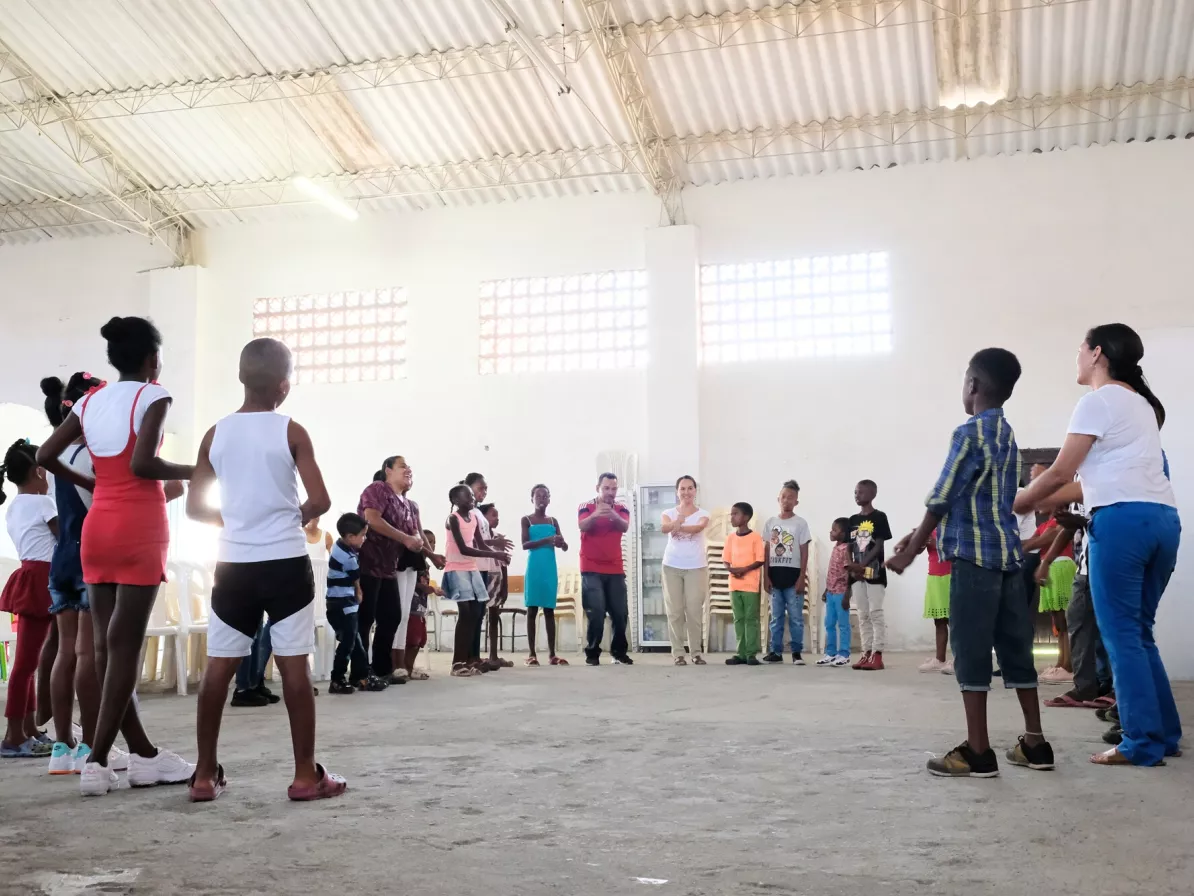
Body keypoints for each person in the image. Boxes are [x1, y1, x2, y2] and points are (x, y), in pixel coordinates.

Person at [37, 316, 194, 797]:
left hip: (98, 527)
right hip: (139, 526)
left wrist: (93, 484)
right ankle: (100, 760)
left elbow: (45, 456)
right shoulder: (153, 395)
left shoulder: (88, 401)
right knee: (122, 648)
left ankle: (144, 755)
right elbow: (143, 464)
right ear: (152, 359)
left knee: (108, 648)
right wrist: (201, 469)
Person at [1013, 324, 1180, 767]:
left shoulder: (1097, 401)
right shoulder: (1140, 405)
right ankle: (1162, 736)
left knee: (1122, 635)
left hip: (1123, 524)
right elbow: (1084, 486)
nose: (1077, 357)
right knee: (1139, 634)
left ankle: (1140, 744)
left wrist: (1014, 504)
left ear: (1097, 353)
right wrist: (1040, 498)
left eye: (1079, 349)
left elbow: (1059, 473)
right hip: (1162, 521)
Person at [187, 337, 344, 802]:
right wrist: (288, 517)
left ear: (241, 379)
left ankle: (202, 775)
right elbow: (321, 500)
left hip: (233, 565)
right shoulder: (291, 430)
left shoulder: (214, 434)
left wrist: (237, 521)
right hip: (286, 565)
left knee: (219, 670)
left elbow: (196, 507)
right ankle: (304, 776)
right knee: (294, 666)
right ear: (283, 385)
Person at [888, 347, 1053, 778]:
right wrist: (919, 534)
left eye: (965, 380)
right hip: (1007, 560)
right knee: (1017, 648)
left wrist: (910, 549)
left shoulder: (969, 434)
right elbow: (978, 500)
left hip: (973, 564)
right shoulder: (1007, 435)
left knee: (971, 652)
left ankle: (978, 751)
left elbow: (943, 495)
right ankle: (1035, 743)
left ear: (973, 386)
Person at [40, 374, 106, 774]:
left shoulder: (54, 458)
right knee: (86, 655)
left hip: (61, 558)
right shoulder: (90, 455)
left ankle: (61, 745)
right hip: (88, 557)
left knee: (65, 654)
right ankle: (91, 746)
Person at [357, 457, 440, 686]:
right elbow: (371, 519)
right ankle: (360, 673)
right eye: (402, 466)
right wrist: (404, 538)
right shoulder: (377, 490)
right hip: (368, 564)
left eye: (409, 467)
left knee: (392, 616)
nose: (408, 470)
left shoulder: (405, 503)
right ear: (388, 471)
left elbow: (417, 535)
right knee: (365, 619)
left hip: (388, 568)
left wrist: (431, 555)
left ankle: (382, 670)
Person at [0, 440, 55, 759]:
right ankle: (13, 735)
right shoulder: (44, 504)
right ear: (38, 471)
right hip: (42, 581)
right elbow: (66, 538)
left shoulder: (15, 507)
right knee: (25, 665)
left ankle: (29, 728)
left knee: (28, 662)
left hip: (28, 578)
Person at [442, 484, 509, 678]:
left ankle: (467, 660)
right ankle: (457, 663)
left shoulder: (473, 518)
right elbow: (464, 548)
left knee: (473, 615)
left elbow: (479, 543)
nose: (472, 499)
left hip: (471, 568)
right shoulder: (452, 519)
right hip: (456, 568)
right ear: (455, 501)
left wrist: (497, 552)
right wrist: (494, 553)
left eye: (472, 496)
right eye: (467, 496)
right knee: (465, 613)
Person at [578, 473, 633, 666]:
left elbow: (625, 526)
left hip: (615, 568)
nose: (610, 492)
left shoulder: (621, 508)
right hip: (591, 567)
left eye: (613, 489)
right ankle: (592, 653)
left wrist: (611, 514)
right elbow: (582, 525)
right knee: (596, 611)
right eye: (606, 488)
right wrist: (596, 514)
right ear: (598, 488)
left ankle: (618, 652)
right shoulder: (586, 507)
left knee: (620, 613)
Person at [465, 473, 514, 671]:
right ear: (469, 488)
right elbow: (473, 541)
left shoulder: (476, 512)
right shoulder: (467, 513)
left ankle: (475, 657)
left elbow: (482, 540)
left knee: (477, 614)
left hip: (484, 567)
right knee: (472, 614)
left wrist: (497, 549)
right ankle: (467, 657)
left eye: (485, 488)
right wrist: (496, 544)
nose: (483, 492)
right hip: (473, 567)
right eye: (480, 488)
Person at [326, 513, 379, 695]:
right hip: (342, 605)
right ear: (350, 537)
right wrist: (358, 591)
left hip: (343, 604)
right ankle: (337, 679)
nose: (364, 539)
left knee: (355, 644)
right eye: (362, 535)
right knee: (349, 644)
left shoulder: (341, 547)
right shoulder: (346, 556)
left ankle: (362, 676)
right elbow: (356, 577)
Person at [661, 475, 711, 666]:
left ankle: (696, 653)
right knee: (674, 611)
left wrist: (678, 525)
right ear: (677, 491)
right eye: (682, 488)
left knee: (694, 611)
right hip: (671, 566)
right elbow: (665, 528)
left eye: (690, 488)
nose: (686, 492)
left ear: (695, 491)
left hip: (696, 567)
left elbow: (698, 528)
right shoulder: (668, 512)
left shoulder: (703, 513)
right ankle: (678, 654)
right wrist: (675, 524)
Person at [762, 480, 811, 665]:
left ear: (796, 501)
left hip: (793, 578)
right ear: (778, 498)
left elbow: (804, 552)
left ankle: (796, 652)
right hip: (775, 577)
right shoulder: (770, 523)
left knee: (796, 617)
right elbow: (766, 551)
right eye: (783, 496)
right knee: (776, 617)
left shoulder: (800, 524)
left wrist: (801, 578)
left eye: (791, 498)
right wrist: (765, 576)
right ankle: (776, 652)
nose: (786, 500)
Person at [846, 480, 892, 671]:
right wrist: (852, 567)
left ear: (872, 494)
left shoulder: (879, 517)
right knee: (863, 614)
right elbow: (848, 546)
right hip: (856, 575)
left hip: (874, 572)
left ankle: (877, 654)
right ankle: (866, 653)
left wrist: (862, 565)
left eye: (861, 492)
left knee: (875, 613)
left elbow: (879, 545)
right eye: (855, 492)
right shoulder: (852, 520)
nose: (857, 495)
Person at [521, 485, 569, 667]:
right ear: (532, 498)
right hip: (534, 567)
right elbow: (525, 544)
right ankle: (532, 654)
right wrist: (548, 540)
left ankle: (552, 654)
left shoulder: (553, 521)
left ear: (549, 499)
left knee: (549, 610)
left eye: (545, 496)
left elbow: (563, 546)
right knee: (532, 610)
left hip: (549, 568)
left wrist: (561, 543)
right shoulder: (526, 520)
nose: (541, 499)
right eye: (538, 496)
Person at [1027, 518, 1076, 683]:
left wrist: (1025, 544)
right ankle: (1061, 663)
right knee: (1058, 621)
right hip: (1049, 567)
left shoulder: (1059, 521)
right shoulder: (1043, 525)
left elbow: (1044, 539)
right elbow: (1034, 541)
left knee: (1064, 619)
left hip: (1061, 565)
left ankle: (1069, 665)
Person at [722, 502, 764, 667]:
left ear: (746, 517)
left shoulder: (755, 538)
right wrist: (732, 569)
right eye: (731, 514)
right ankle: (740, 653)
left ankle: (751, 654)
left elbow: (760, 559)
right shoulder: (730, 538)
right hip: (734, 585)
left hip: (750, 585)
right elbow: (726, 559)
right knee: (738, 619)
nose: (732, 517)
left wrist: (744, 569)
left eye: (735, 514)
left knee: (751, 619)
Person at [404, 529, 442, 680]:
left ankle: (410, 667)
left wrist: (431, 589)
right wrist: (429, 588)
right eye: (428, 541)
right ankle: (405, 668)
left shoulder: (426, 563)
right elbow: (413, 583)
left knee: (419, 640)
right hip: (412, 606)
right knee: (411, 640)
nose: (431, 545)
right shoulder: (414, 561)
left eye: (433, 542)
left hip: (421, 607)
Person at [817, 517, 853, 667]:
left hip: (841, 593)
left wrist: (847, 595)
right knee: (829, 624)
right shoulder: (836, 548)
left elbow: (849, 573)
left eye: (834, 530)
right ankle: (830, 653)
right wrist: (826, 590)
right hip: (831, 592)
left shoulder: (846, 549)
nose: (831, 532)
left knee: (843, 624)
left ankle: (844, 654)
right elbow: (833, 572)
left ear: (843, 533)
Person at [479, 503, 511, 669]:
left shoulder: (499, 537)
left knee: (493, 616)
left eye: (498, 515)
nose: (497, 518)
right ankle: (474, 656)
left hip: (496, 578)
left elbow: (504, 563)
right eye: (493, 515)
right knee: (476, 617)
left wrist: (505, 586)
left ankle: (493, 655)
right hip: (483, 577)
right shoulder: (481, 537)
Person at [917, 530, 954, 674]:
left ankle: (960, 661)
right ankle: (940, 660)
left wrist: (936, 544)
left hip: (950, 576)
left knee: (954, 622)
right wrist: (920, 543)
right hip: (934, 576)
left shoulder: (954, 524)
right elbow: (919, 549)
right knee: (939, 621)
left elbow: (958, 548)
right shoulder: (931, 527)